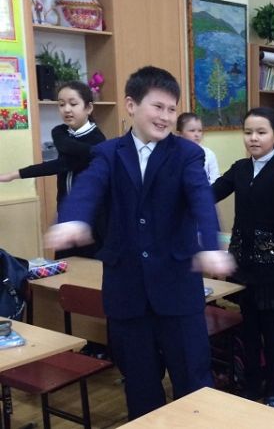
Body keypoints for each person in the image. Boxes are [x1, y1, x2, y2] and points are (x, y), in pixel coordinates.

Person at [45, 66, 234, 420]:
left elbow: (201, 200)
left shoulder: (187, 154)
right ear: (131, 105)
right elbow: (89, 187)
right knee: (140, 386)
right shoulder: (108, 153)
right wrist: (72, 218)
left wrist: (210, 245)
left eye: (172, 109)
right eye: (157, 107)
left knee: (194, 384)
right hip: (127, 290)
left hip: (177, 288)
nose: (166, 116)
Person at [212, 107, 274, 410]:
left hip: (270, 263)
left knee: (269, 327)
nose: (253, 138)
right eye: (248, 132)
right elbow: (211, 193)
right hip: (243, 260)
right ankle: (252, 382)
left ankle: (272, 387)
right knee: (249, 325)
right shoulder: (240, 168)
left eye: (261, 132)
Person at [0, 80, 105, 258]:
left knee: (92, 268)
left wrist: (16, 174)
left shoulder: (97, 139)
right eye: (61, 104)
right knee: (65, 266)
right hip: (65, 212)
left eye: (73, 104)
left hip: (91, 218)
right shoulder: (60, 132)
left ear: (88, 108)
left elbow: (62, 164)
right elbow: (64, 151)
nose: (66, 109)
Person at [176, 112, 221, 183]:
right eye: (192, 130)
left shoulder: (209, 154)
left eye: (200, 131)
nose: (197, 134)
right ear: (180, 134)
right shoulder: (174, 154)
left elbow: (215, 179)